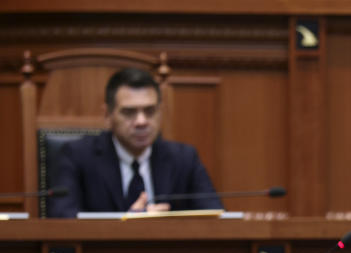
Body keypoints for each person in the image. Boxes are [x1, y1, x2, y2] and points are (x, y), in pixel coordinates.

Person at [48, 68, 222, 218]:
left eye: (150, 111)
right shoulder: (77, 156)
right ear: (107, 115)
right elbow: (61, 220)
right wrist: (126, 225)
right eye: (129, 112)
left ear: (160, 113)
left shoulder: (184, 159)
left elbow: (216, 218)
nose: (141, 121)